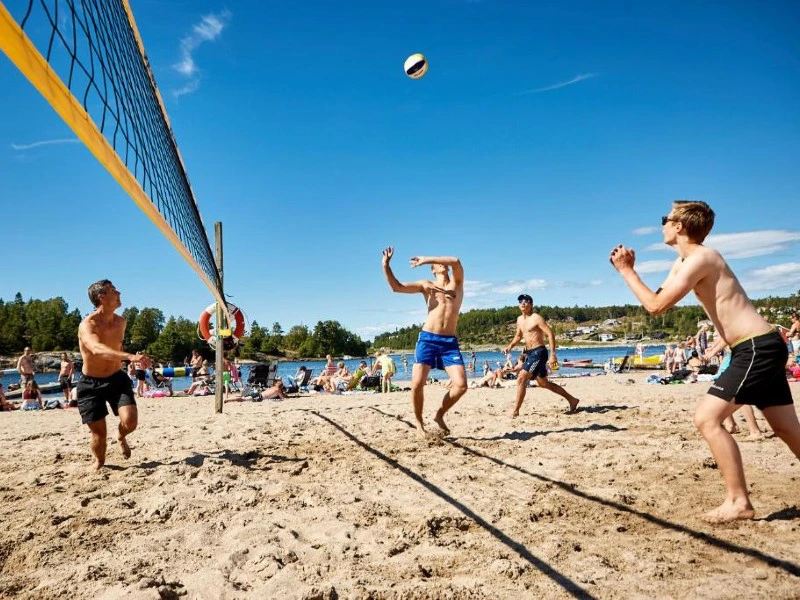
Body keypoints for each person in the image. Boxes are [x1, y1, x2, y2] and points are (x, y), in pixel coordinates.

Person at [610, 200, 800, 523]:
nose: (663, 225)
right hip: (760, 346)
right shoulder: (686, 261)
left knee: (706, 419)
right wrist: (631, 273)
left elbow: (655, 307)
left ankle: (739, 501)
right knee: (785, 428)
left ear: (679, 226)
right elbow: (656, 300)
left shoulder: (702, 258)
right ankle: (738, 500)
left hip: (754, 348)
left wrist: (627, 271)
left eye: (665, 219)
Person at [380, 246, 467, 435]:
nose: (442, 263)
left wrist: (427, 258)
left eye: (442, 261)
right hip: (428, 339)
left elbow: (456, 261)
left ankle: (440, 414)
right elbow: (396, 287)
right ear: (433, 270)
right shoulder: (426, 285)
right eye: (438, 263)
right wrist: (386, 265)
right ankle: (419, 424)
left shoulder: (457, 283)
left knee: (461, 386)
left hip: (449, 342)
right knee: (418, 384)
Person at [77, 279, 151, 470]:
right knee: (99, 435)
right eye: (113, 290)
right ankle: (99, 462)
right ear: (102, 297)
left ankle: (121, 436)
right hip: (90, 384)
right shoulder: (88, 324)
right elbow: (97, 349)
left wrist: (130, 360)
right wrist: (130, 357)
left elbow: (116, 346)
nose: (119, 292)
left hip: (116, 378)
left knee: (130, 422)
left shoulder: (121, 322)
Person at [503, 294, 579, 417]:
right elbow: (518, 336)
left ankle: (515, 410)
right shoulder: (519, 320)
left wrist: (553, 354)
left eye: (526, 301)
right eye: (520, 301)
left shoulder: (536, 318)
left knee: (521, 378)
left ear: (531, 304)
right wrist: (510, 346)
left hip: (539, 352)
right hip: (529, 353)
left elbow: (550, 334)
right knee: (543, 383)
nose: (523, 303)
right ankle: (572, 400)